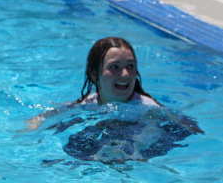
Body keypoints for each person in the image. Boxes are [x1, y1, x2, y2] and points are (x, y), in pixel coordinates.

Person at [27, 37, 203, 163]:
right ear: (95, 76)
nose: (125, 74)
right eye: (114, 67)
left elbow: (191, 128)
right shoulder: (85, 105)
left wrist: (133, 151)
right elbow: (37, 121)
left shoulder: (148, 107)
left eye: (130, 66)